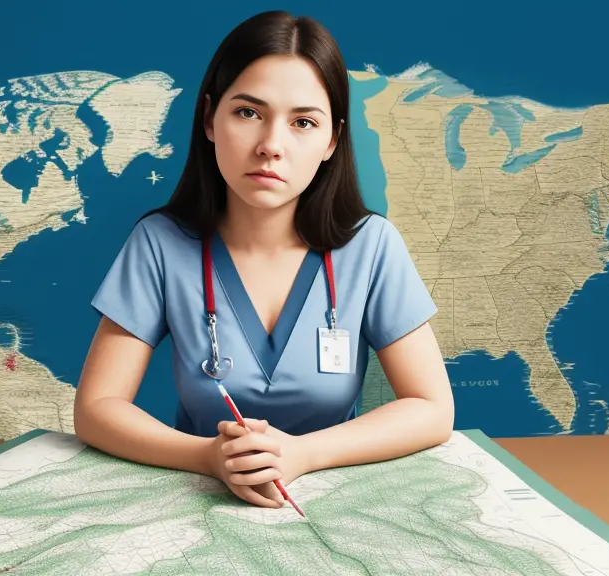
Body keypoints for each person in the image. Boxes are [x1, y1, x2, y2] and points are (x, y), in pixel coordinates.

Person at [74, 10, 454, 509]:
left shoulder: (373, 246)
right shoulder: (160, 244)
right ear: (210, 119)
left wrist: (300, 455)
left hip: (339, 503)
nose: (271, 146)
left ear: (332, 141)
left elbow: (432, 409)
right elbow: (96, 408)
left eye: (303, 122)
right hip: (194, 501)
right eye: (248, 113)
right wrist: (210, 458)